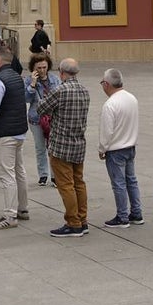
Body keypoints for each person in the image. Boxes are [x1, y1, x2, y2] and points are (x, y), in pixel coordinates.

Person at [39, 58, 91, 237]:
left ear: (61, 72)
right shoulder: (85, 90)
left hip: (61, 145)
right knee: (79, 182)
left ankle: (73, 222)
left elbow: (41, 108)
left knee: (66, 185)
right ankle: (82, 220)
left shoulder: (60, 90)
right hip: (79, 143)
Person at [0, 45, 30, 229]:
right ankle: (23, 208)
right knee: (19, 171)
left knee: (7, 175)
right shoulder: (17, 77)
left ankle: (10, 216)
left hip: (5, 133)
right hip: (19, 131)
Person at [98, 68, 143, 228]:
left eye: (103, 83)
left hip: (116, 149)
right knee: (131, 180)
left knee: (118, 183)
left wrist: (102, 148)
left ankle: (122, 216)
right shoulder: (132, 98)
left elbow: (107, 131)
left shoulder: (110, 104)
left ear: (107, 84)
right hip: (130, 145)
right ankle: (136, 213)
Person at [25, 54, 59, 187]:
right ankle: (43, 175)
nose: (42, 70)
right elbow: (26, 99)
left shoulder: (54, 79)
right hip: (36, 118)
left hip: (52, 118)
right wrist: (32, 85)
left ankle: (55, 175)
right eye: (39, 67)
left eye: (44, 67)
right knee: (40, 147)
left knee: (53, 148)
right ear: (33, 67)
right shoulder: (29, 80)